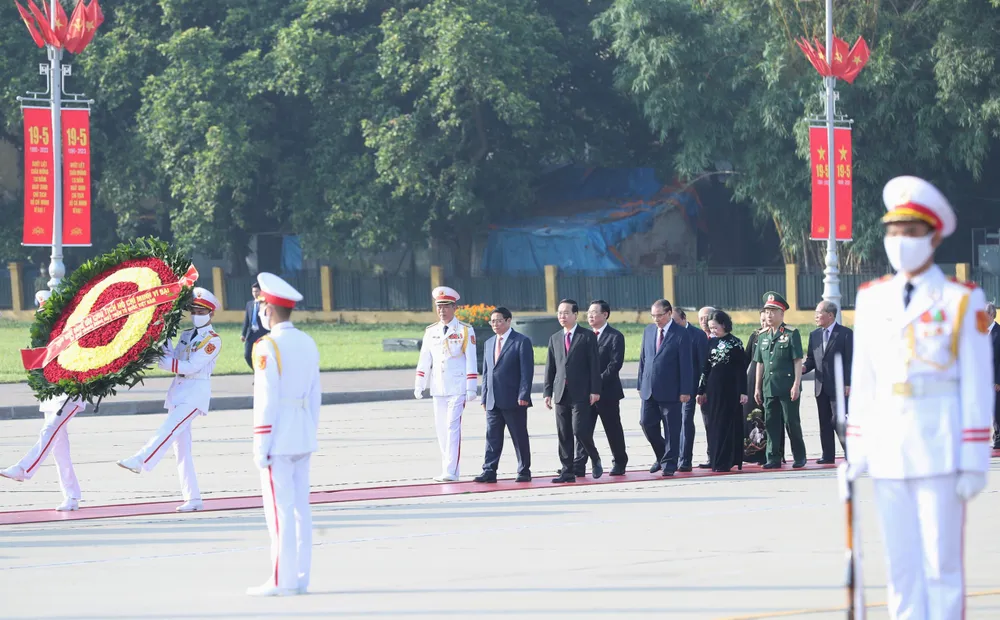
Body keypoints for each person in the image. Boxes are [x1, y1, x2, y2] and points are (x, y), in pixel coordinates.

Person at [845, 175, 992, 619]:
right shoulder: (872, 299)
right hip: (889, 449)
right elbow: (864, 380)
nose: (900, 242)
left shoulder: (961, 299)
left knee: (940, 565)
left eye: (910, 233)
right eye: (893, 233)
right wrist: (857, 446)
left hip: (941, 450)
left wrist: (974, 458)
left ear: (932, 238)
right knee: (901, 567)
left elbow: (977, 384)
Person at [246, 273, 321, 597]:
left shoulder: (267, 345)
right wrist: (311, 430)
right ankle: (300, 576)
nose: (261, 309)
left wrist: (260, 444)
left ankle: (281, 579)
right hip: (303, 433)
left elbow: (266, 398)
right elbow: (316, 394)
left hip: (278, 436)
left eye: (263, 304)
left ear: (270, 309)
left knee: (279, 512)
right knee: (300, 510)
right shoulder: (307, 341)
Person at [116, 287, 223, 512]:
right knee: (181, 450)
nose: (195, 314)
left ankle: (140, 460)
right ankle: (193, 498)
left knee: (167, 429)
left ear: (211, 314)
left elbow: (192, 366)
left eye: (201, 311)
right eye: (192, 309)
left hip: (195, 394)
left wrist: (169, 364)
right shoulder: (185, 335)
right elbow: (173, 356)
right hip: (178, 393)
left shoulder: (213, 340)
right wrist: (162, 338)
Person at [0, 290, 88, 511]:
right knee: (59, 449)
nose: (45, 315)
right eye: (42, 311)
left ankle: (24, 469)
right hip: (52, 396)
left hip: (71, 394)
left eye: (48, 311)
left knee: (47, 431)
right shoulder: (42, 336)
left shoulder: (71, 331)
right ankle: (71, 496)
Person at [414, 286, 478, 482]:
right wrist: (419, 383)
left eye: (446, 307)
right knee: (441, 428)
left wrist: (471, 386)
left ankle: (451, 470)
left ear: (454, 307)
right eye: (439, 307)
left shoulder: (465, 330)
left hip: (458, 386)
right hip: (438, 386)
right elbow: (425, 358)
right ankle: (447, 468)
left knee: (452, 427)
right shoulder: (431, 331)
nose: (442, 311)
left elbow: (471, 359)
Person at [544, 299, 601, 483]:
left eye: (566, 313)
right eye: (560, 313)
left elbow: (594, 365)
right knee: (563, 432)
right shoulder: (554, 338)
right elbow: (550, 367)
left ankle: (594, 456)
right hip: (561, 391)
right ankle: (567, 471)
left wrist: (595, 390)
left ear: (576, 315)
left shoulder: (586, 336)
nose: (562, 316)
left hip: (581, 392)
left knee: (579, 430)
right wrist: (547, 392)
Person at [570, 300, 628, 477]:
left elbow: (614, 365)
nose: (591, 316)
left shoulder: (615, 336)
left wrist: (595, 383)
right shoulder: (584, 336)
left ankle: (619, 462)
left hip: (607, 392)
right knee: (582, 429)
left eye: (595, 312)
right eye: (588, 313)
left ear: (605, 314)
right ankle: (579, 464)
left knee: (612, 429)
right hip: (585, 393)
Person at [475, 307, 533, 483]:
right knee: (492, 437)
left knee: (519, 436)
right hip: (493, 400)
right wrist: (484, 396)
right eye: (492, 321)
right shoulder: (489, 342)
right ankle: (489, 471)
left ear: (508, 321)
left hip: (514, 399)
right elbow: (486, 373)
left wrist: (524, 394)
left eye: (499, 320)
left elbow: (526, 371)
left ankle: (524, 470)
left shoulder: (521, 341)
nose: (495, 324)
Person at [637, 299, 693, 476]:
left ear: (669, 313)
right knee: (646, 423)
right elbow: (643, 359)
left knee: (671, 428)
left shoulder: (681, 334)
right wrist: (640, 383)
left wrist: (686, 390)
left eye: (659, 315)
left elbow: (686, 364)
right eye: (653, 315)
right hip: (649, 389)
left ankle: (669, 463)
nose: (656, 319)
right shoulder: (649, 331)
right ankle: (663, 454)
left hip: (671, 389)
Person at [753, 291, 807, 469]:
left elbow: (797, 360)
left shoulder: (792, 333)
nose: (769, 315)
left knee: (791, 422)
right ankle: (773, 458)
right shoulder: (762, 335)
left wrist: (796, 385)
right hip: (769, 388)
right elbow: (759, 363)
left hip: (787, 386)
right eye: (767, 311)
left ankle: (799, 456)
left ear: (782, 313)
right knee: (771, 423)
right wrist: (757, 388)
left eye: (773, 311)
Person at [696, 310, 748, 472]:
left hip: (731, 390)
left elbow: (741, 369)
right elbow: (705, 368)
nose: (712, 330)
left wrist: (743, 391)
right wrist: (701, 390)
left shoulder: (735, 343)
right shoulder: (710, 343)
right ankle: (715, 459)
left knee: (728, 424)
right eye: (710, 327)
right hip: (713, 390)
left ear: (724, 325)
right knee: (714, 424)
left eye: (715, 327)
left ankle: (727, 460)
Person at [802, 300, 853, 464]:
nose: (815, 316)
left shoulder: (845, 334)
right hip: (820, 386)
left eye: (819, 313)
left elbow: (850, 360)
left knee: (839, 420)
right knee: (824, 422)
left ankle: (851, 453)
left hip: (839, 386)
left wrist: (848, 383)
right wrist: (802, 368)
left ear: (830, 315)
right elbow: (811, 359)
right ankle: (828, 455)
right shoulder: (814, 335)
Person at [673, 308, 710, 471]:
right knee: (675, 423)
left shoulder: (697, 335)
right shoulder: (669, 334)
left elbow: (703, 365)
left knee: (686, 420)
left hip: (691, 387)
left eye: (675, 320)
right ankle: (672, 457)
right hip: (672, 387)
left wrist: (702, 389)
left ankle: (685, 459)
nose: (672, 324)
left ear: (684, 318)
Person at [241, 281, 270, 370]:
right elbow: (246, 320)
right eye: (253, 291)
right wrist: (243, 334)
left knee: (262, 355)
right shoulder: (249, 304)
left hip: (262, 333)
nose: (255, 293)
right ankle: (256, 371)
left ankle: (261, 372)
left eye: (257, 291)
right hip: (251, 333)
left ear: (261, 292)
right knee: (247, 355)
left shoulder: (265, 304)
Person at [987, 303, 1000, 449]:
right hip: (983, 379)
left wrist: (998, 381)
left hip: (995, 380)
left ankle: (998, 439)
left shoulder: (999, 332)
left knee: (997, 411)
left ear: (991, 315)